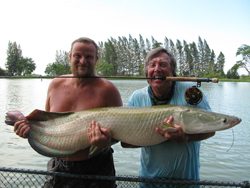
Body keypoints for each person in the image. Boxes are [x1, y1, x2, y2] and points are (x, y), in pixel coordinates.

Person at [13, 37, 123, 188]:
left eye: (89, 56)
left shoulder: (109, 90)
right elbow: (47, 125)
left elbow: (119, 134)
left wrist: (104, 143)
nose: (83, 61)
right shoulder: (55, 84)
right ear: (69, 56)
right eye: (78, 55)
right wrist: (28, 130)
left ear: (96, 59)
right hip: (58, 167)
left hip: (97, 167)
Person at [121, 47, 215, 187]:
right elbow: (125, 143)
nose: (157, 69)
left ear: (172, 71)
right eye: (152, 65)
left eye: (163, 64)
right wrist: (157, 136)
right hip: (149, 182)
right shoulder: (137, 97)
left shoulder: (191, 91)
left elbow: (210, 129)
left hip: (187, 182)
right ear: (147, 72)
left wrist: (185, 139)